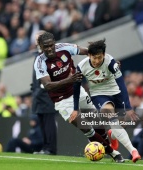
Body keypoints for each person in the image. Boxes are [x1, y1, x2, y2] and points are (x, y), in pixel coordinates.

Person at [33, 32, 124, 162]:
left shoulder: (64, 47)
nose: (49, 49)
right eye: (45, 47)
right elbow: (47, 85)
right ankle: (114, 153)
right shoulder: (40, 61)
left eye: (51, 45)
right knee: (86, 128)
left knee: (97, 121)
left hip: (77, 92)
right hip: (62, 100)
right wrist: (69, 80)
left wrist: (111, 63)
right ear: (40, 47)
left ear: (54, 43)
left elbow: (90, 52)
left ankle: (103, 142)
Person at [73, 39, 141, 163]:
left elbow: (121, 84)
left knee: (121, 124)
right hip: (98, 95)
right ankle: (133, 151)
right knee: (109, 113)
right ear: (89, 55)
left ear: (104, 55)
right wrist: (75, 108)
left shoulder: (110, 62)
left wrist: (128, 106)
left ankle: (112, 134)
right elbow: (76, 88)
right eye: (94, 57)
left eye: (100, 57)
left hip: (116, 92)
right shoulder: (81, 67)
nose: (97, 61)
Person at [31, 30, 58, 155]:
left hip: (47, 94)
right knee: (42, 122)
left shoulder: (49, 55)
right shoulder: (38, 55)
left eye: (38, 38)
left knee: (48, 122)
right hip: (39, 95)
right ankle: (45, 147)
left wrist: (41, 88)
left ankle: (51, 149)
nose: (36, 41)